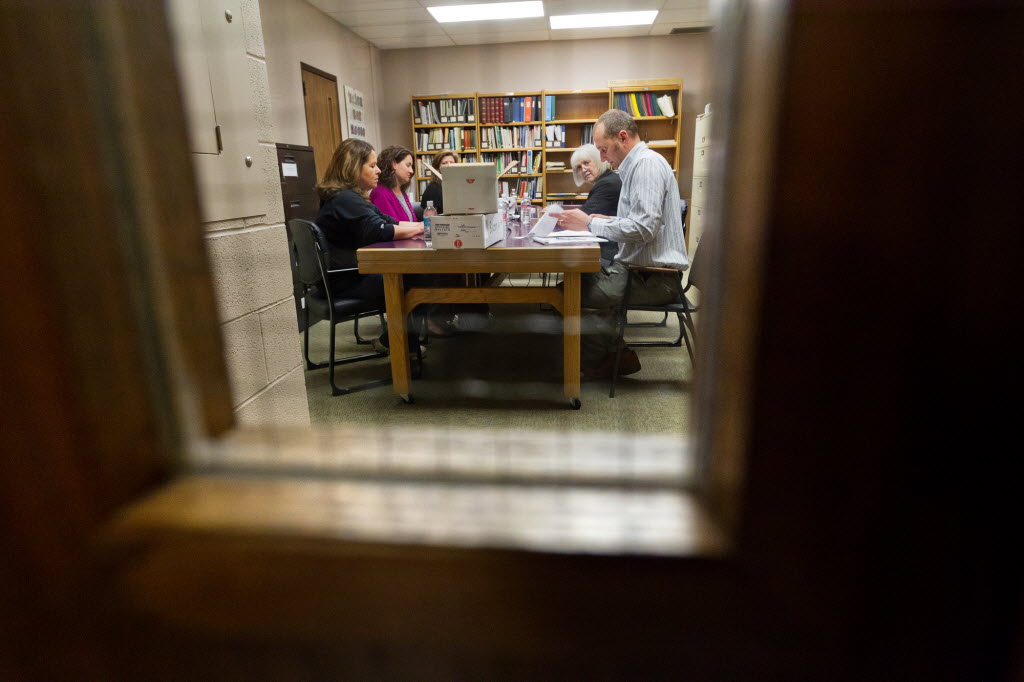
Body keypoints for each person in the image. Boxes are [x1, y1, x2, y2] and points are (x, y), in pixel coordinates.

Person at [557, 109, 688, 378]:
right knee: (576, 283)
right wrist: (609, 219)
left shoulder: (646, 166)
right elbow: (641, 221)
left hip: (655, 279)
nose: (603, 157)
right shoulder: (638, 166)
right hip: (642, 271)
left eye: (603, 149)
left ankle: (604, 361)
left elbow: (643, 228)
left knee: (573, 292)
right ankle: (616, 352)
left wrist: (590, 224)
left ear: (623, 137)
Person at [315, 138, 424, 352]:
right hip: (346, 280)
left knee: (417, 275)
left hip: (347, 274)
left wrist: (424, 225)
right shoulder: (344, 199)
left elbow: (389, 221)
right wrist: (424, 228)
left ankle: (400, 342)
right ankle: (398, 345)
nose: (378, 171)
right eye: (372, 165)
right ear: (354, 167)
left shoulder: (350, 197)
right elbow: (380, 230)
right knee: (418, 278)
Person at [570, 143, 621, 263]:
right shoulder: (607, 179)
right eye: (579, 167)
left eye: (586, 163)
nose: (583, 169)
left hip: (609, 254)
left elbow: (583, 215)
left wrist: (555, 213)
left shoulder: (607, 184)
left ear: (599, 161)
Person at [368, 145, 419, 222]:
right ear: (394, 164)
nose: (411, 171)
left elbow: (413, 221)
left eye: (411, 166)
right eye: (408, 165)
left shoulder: (401, 190)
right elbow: (392, 226)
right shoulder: (381, 194)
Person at [419, 150, 459, 214]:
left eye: (452, 162)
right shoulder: (433, 189)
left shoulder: (458, 186)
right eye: (444, 163)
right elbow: (430, 218)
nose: (449, 165)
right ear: (437, 168)